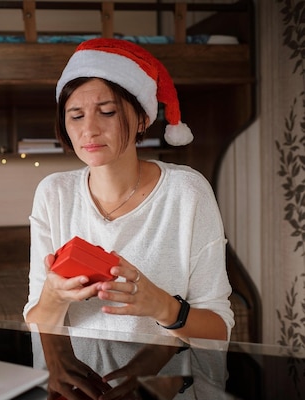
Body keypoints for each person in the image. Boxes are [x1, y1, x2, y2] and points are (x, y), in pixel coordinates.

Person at [23, 38, 234, 341]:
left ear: (142, 119)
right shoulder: (53, 193)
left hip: (164, 384)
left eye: (107, 112)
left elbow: (218, 330)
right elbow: (38, 324)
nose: (89, 129)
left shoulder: (187, 191)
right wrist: (54, 299)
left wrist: (162, 306)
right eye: (76, 115)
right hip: (75, 384)